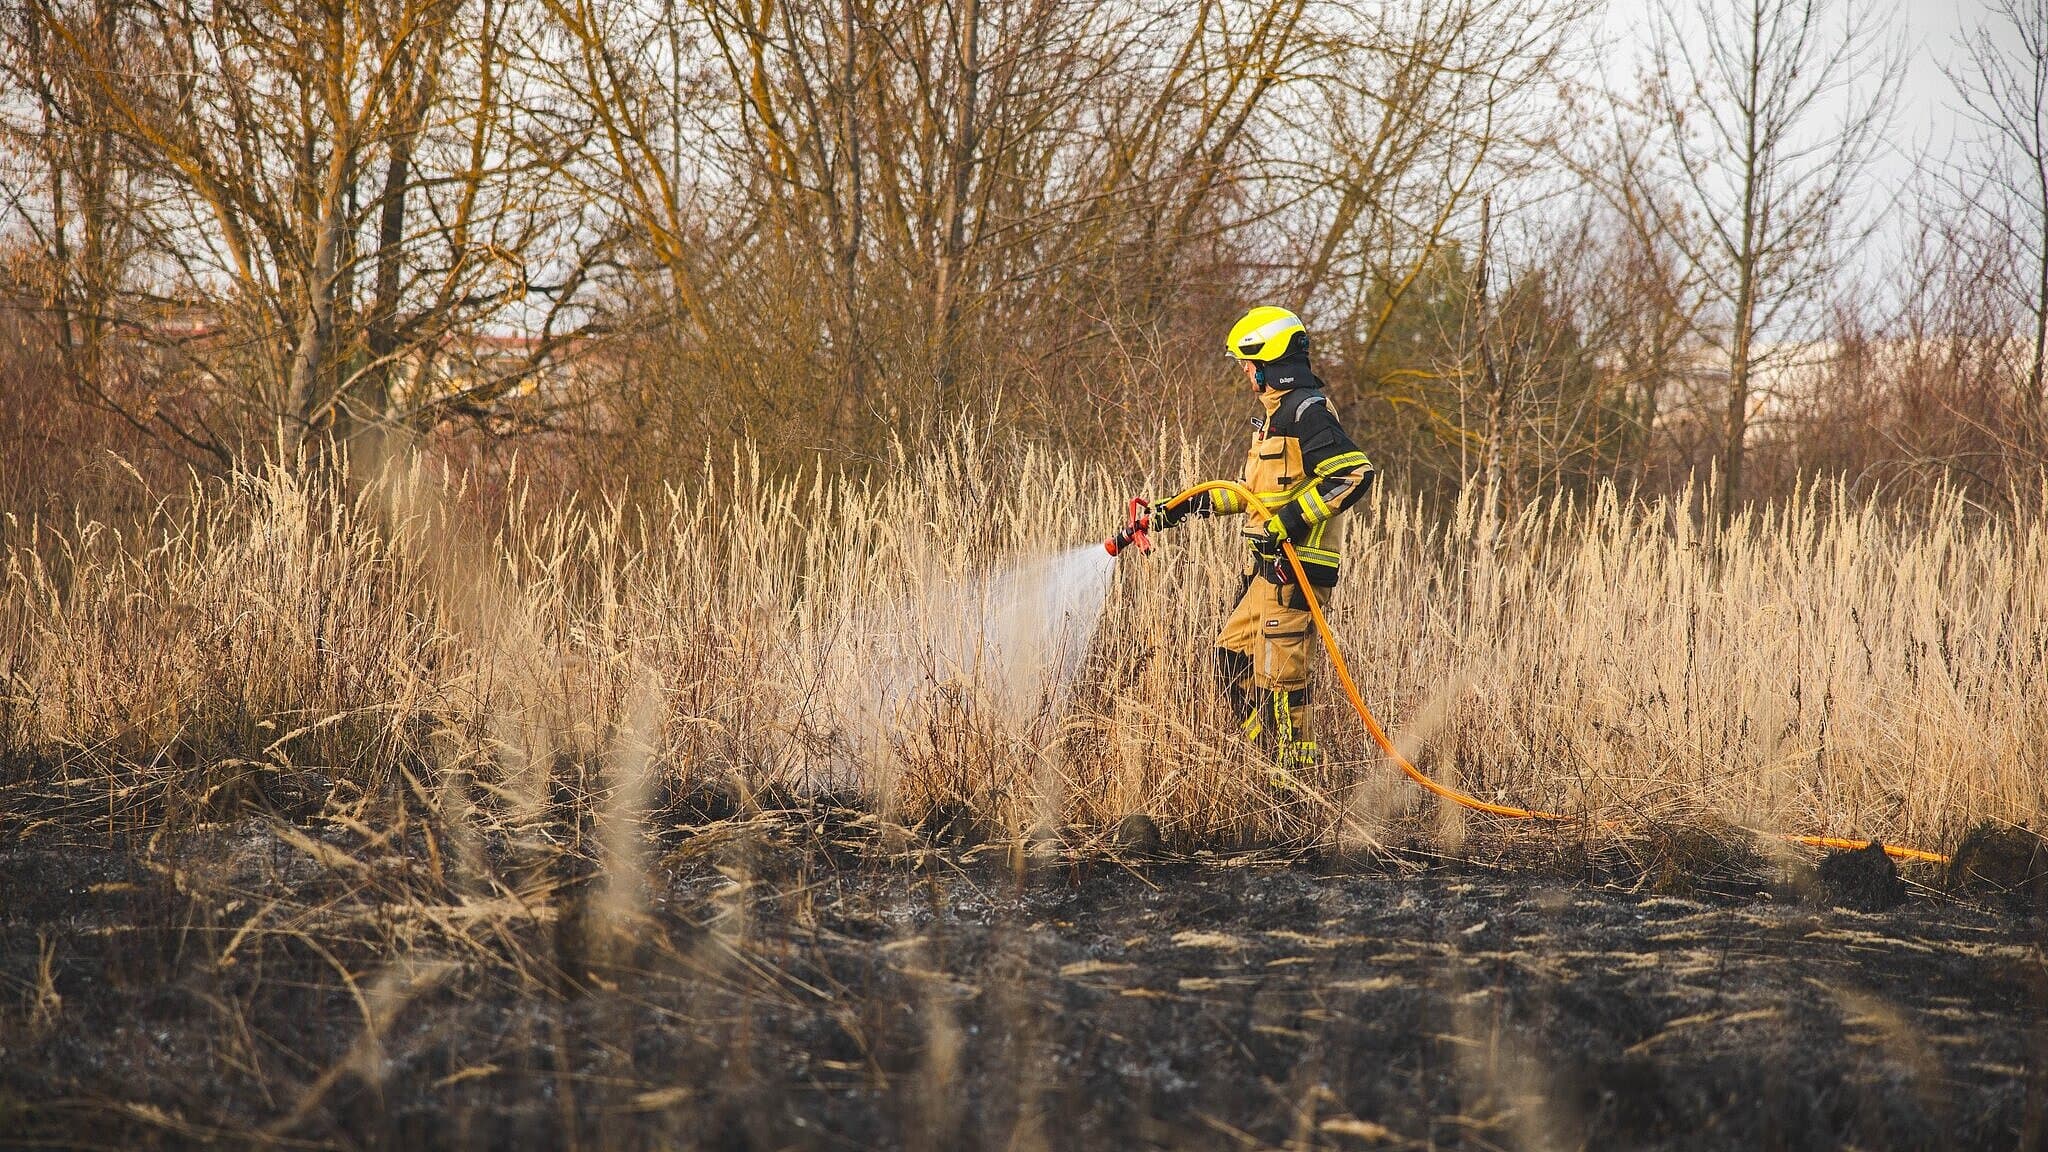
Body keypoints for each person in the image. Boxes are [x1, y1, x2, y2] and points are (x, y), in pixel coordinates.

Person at [1149, 307, 1374, 782]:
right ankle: (1258, 761)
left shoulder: (1308, 412)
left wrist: (1291, 521)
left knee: (1281, 685)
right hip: (1264, 572)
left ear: (1270, 363)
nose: (1246, 373)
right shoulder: (1274, 420)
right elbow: (1252, 494)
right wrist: (1177, 509)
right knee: (1230, 660)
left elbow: (1354, 475)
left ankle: (1294, 788)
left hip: (1296, 574)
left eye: (1248, 364)